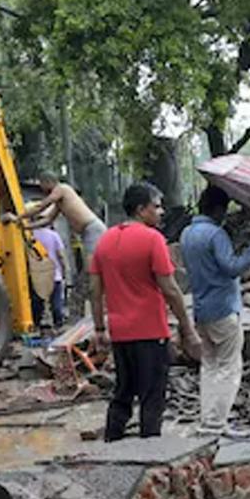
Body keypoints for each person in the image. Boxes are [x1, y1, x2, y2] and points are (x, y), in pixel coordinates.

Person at [90, 182, 202, 442]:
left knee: (123, 393)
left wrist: (99, 329)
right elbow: (171, 289)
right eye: (157, 206)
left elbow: (95, 291)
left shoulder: (104, 241)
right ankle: (150, 450)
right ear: (141, 210)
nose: (161, 211)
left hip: (119, 334)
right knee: (152, 396)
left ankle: (112, 444)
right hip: (150, 332)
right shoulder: (153, 239)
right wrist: (187, 328)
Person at [180, 187, 250, 437]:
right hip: (223, 307)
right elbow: (230, 267)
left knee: (210, 366)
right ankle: (216, 423)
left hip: (201, 308)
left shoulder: (187, 233)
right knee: (229, 366)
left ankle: (208, 419)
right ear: (218, 209)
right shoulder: (216, 234)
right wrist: (249, 253)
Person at [21, 172, 107, 262]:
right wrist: (26, 227)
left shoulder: (62, 188)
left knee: (92, 263)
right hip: (87, 231)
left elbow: (41, 206)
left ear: (47, 182)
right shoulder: (59, 202)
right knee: (91, 263)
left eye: (41, 184)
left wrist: (19, 217)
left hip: (92, 228)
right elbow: (48, 220)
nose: (41, 188)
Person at [30, 225, 67, 329]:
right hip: (54, 274)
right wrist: (64, 270)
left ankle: (36, 324)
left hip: (37, 275)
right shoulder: (54, 235)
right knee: (56, 302)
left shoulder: (31, 235)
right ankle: (58, 324)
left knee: (38, 302)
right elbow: (61, 255)